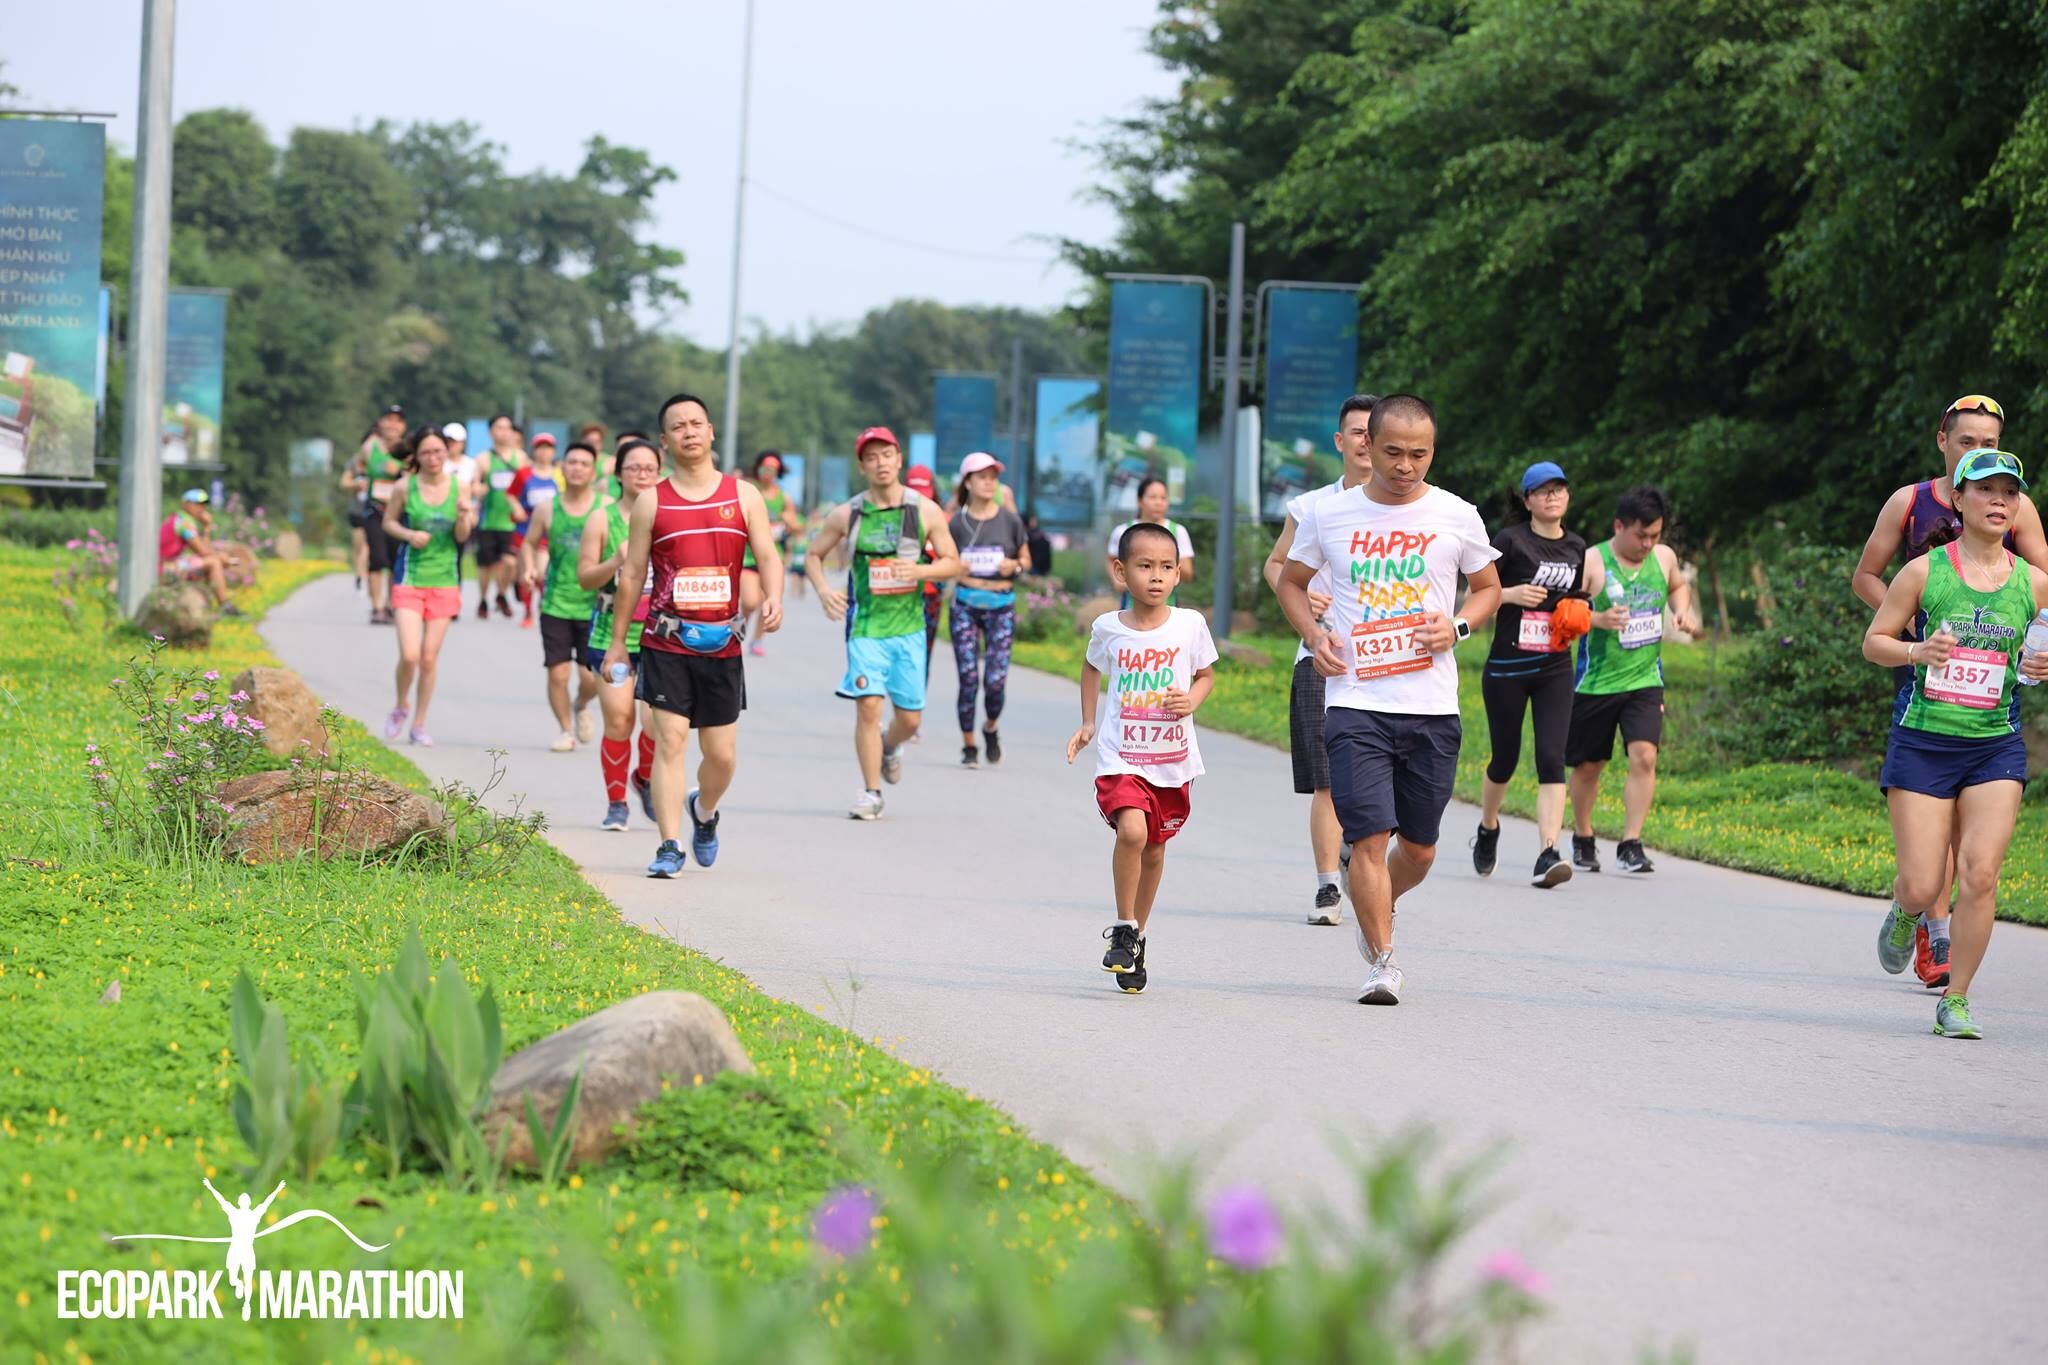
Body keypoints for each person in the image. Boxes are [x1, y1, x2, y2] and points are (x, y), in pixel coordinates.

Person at [1277, 394, 1502, 1006]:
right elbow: (1291, 583)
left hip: (1430, 704)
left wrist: (1455, 626)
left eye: (1420, 454)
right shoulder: (1332, 515)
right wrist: (1313, 635)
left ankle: (1373, 895)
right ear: (1366, 446)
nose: (1406, 466)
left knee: (1421, 848)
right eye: (1394, 452)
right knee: (1370, 837)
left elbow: (1488, 588)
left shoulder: (1457, 515)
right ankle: (1382, 960)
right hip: (1354, 700)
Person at [1850, 393, 2041, 987]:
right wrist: (1913, 630)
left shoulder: (2016, 505)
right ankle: (1923, 916)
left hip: (1992, 701)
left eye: (1991, 445)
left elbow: (2044, 594)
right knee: (1925, 866)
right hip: (1925, 679)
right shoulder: (1910, 502)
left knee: (1979, 862)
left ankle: (1950, 976)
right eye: (1969, 444)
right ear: (1944, 443)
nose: (1981, 456)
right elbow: (1866, 576)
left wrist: (2036, 650)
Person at [600, 393, 785, 879]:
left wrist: (774, 595)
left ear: (711, 432)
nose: (689, 432)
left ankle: (703, 810)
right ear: (665, 441)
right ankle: (669, 844)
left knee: (721, 757)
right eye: (677, 426)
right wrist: (619, 642)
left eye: (696, 423)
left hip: (722, 643)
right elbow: (634, 573)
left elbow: (767, 554)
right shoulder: (652, 502)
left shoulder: (742, 495)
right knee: (671, 741)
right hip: (666, 642)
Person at [1066, 522, 1218, 995]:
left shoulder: (1190, 624)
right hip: (1121, 755)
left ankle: (1138, 937)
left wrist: (1192, 699)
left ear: (1177, 575)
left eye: (1166, 567)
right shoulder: (1108, 628)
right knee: (1132, 831)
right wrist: (1089, 722)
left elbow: (1206, 675)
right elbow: (1091, 667)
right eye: (1144, 566)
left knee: (1155, 848)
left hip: (1172, 761)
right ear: (1120, 570)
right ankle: (1124, 925)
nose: (1156, 576)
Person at [804, 427, 961, 820]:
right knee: (868, 708)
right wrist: (824, 591)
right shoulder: (848, 513)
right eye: (871, 457)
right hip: (865, 629)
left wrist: (919, 571)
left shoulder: (924, 509)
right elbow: (812, 555)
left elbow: (952, 561)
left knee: (908, 719)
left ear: (898, 459)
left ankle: (891, 746)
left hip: (909, 629)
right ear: (862, 466)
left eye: (886, 454)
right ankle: (871, 792)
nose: (880, 463)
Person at [1263, 392, 1378, 925]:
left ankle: (1362, 852)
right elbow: (1277, 565)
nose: (1365, 441)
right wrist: (1300, 598)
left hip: (1389, 663)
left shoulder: (1406, 511)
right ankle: (1329, 886)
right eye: (1356, 432)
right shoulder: (1311, 506)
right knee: (1329, 779)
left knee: (1384, 777)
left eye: (1373, 432)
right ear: (1341, 441)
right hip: (1320, 655)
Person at [1565, 486, 1702, 874]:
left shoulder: (1664, 557)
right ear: (1619, 526)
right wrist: (1596, 619)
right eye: (1640, 535)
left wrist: (1682, 611)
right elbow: (1564, 613)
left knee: (1645, 755)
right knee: (1589, 766)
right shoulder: (1593, 561)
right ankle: (1584, 835)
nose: (1647, 543)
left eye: (1654, 535)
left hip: (1645, 677)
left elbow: (1678, 585)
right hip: (1596, 682)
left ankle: (1630, 843)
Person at [1473, 461, 1589, 888]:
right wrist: (1509, 594)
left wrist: (1581, 614)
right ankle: (1488, 827)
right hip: (1507, 666)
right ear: (1528, 501)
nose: (1552, 496)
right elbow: (1477, 594)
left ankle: (1548, 852)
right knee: (1504, 759)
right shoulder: (1510, 541)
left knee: (1551, 758)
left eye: (1559, 489)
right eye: (1543, 491)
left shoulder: (1577, 546)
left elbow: (1575, 599)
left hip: (1554, 667)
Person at [580, 438, 665, 829]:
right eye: (634, 468)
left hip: (660, 637)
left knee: (655, 723)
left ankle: (643, 778)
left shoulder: (669, 518)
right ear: (619, 475)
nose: (643, 474)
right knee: (618, 721)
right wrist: (616, 560)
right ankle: (617, 803)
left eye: (650, 468)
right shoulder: (602, 519)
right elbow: (585, 578)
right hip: (611, 637)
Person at [381, 425, 476, 746]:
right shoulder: (405, 487)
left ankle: (419, 723)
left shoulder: (460, 487)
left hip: (445, 581)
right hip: (410, 578)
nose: (433, 457)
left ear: (447, 452)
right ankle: (400, 705)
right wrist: (409, 535)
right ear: (416, 456)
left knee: (429, 658)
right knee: (409, 655)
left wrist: (464, 516)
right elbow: (388, 522)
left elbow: (463, 537)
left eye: (438, 451)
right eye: (426, 452)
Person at [948, 451, 1031, 767]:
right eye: (982, 477)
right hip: (966, 605)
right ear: (967, 481)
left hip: (1001, 606)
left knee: (995, 681)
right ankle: (969, 745)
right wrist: (955, 566)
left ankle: (990, 727)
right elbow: (942, 561)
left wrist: (1016, 565)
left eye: (993, 477)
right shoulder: (957, 523)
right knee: (968, 678)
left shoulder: (1010, 520)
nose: (988, 483)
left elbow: (1026, 559)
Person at [521, 441, 605, 752]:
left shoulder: (605, 506)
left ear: (593, 471)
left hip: (595, 605)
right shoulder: (547, 508)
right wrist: (529, 568)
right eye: (572, 462)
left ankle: (581, 703)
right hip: (555, 600)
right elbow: (530, 543)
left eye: (584, 463)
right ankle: (565, 730)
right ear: (562, 468)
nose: (578, 468)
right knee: (558, 673)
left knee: (592, 678)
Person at [344, 404, 406, 624]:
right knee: (377, 559)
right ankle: (376, 607)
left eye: (397, 420)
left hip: (399, 512)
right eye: (388, 419)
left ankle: (391, 605)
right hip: (375, 510)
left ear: (403, 426)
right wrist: (358, 481)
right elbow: (354, 470)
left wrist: (398, 471)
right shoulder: (370, 447)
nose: (392, 424)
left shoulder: (407, 449)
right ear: (380, 422)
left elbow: (416, 475)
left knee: (394, 560)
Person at [742, 450, 804, 657]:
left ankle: (757, 640)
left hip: (771, 557)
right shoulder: (749, 491)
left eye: (772, 469)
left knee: (766, 602)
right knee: (750, 601)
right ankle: (739, 630)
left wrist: (789, 521)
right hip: (748, 555)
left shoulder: (783, 498)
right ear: (758, 468)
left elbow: (797, 526)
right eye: (764, 468)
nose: (768, 472)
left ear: (778, 472)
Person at [471, 414, 528, 619]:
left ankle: (502, 594)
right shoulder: (483, 459)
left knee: (510, 563)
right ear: (490, 432)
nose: (503, 432)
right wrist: (480, 489)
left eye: (507, 428)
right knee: (486, 565)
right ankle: (484, 599)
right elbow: (474, 485)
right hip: (488, 520)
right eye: (499, 428)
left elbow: (527, 483)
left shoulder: (520, 458)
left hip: (512, 521)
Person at [1107, 477, 1196, 606]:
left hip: (1167, 605)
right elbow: (1110, 559)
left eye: (1163, 498)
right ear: (1139, 501)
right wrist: (1118, 581)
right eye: (1153, 497)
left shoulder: (1178, 531)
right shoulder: (1123, 531)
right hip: (1130, 606)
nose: (1158, 502)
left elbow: (1187, 573)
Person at [157, 488, 241, 615]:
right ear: (186, 504)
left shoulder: (179, 519)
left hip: (166, 565)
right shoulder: (184, 522)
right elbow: (203, 551)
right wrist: (221, 557)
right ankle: (225, 606)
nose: (201, 508)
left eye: (203, 505)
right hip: (165, 567)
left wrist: (207, 529)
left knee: (212, 562)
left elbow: (203, 550)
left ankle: (207, 606)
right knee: (213, 563)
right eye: (197, 504)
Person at [508, 432, 562, 628]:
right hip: (525, 531)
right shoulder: (524, 473)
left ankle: (543, 603)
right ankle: (528, 612)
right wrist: (517, 507)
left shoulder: (559, 474)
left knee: (540, 572)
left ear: (553, 451)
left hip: (549, 533)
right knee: (526, 573)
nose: (544, 452)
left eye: (548, 448)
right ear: (534, 450)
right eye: (540, 448)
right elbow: (511, 494)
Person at [904, 463, 946, 691]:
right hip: (897, 598)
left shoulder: (940, 519)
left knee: (922, 655)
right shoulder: (894, 517)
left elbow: (952, 561)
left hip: (930, 598)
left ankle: (913, 711)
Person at [1024, 514, 1054, 580]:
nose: (1034, 522)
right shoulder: (1029, 534)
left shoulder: (1037, 535)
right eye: (1032, 520)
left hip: (1038, 566)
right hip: (1034, 565)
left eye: (1034, 521)